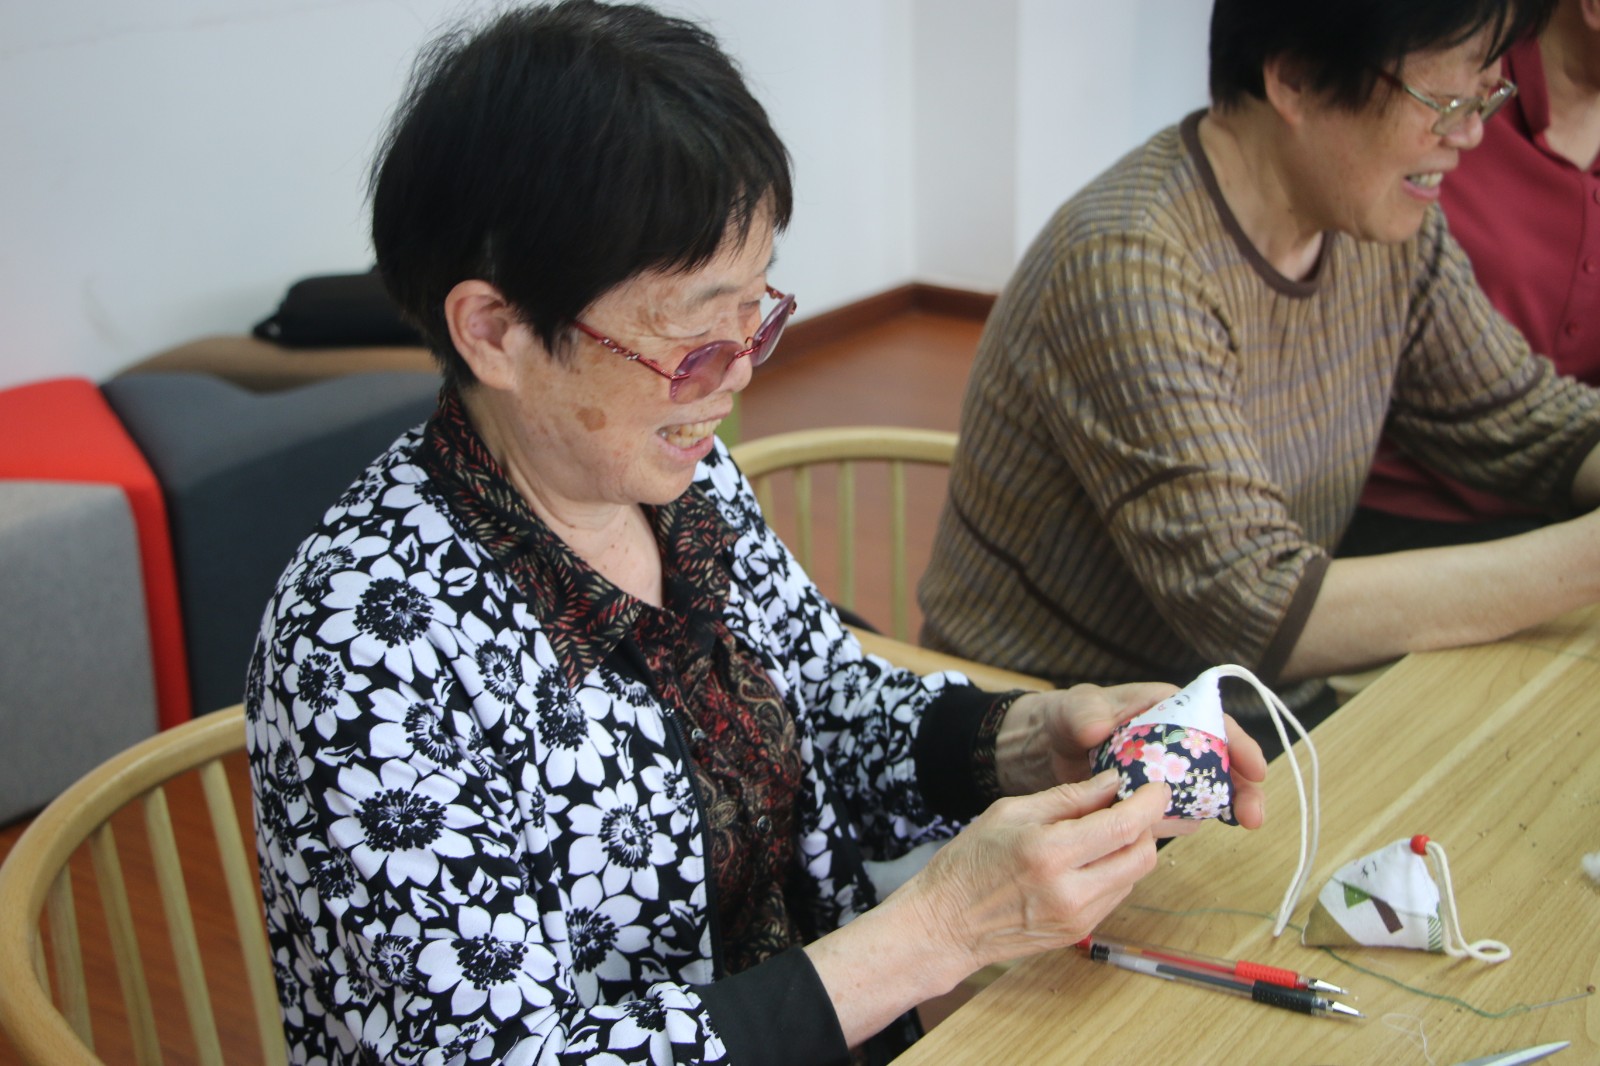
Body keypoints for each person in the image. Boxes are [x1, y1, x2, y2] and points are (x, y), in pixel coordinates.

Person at [243, 4, 1268, 1064]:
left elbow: (826, 703)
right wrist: (938, 932)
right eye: (694, 336)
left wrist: (1028, 739)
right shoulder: (365, 646)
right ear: (495, 332)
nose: (736, 376)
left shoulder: (679, 484)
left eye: (754, 313)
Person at [920, 0, 1600, 723]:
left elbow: (1524, 417)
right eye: (1445, 101)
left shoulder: (1380, 231)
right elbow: (1254, 606)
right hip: (1059, 729)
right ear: (1296, 79)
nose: (1470, 133)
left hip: (1245, 705)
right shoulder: (1129, 259)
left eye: (1485, 96)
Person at [1348, 0, 1600, 554]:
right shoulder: (1448, 99)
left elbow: (1522, 408)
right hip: (1400, 517)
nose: (1467, 131)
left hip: (1562, 497)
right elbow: (1257, 587)